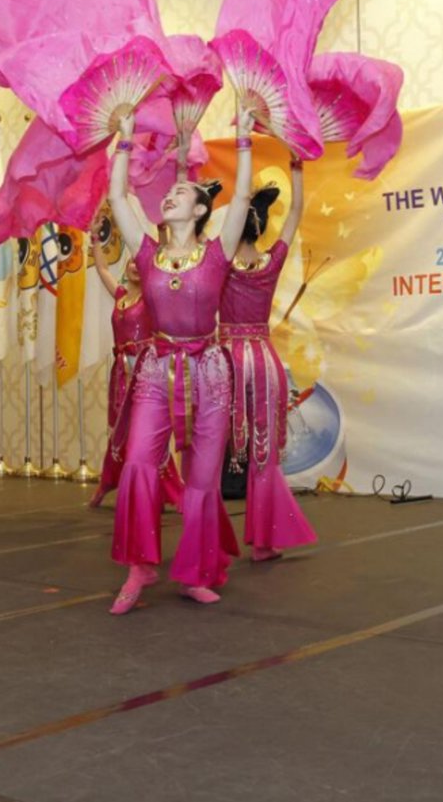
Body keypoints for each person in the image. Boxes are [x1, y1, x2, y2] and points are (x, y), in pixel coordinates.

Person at [104, 107, 253, 614]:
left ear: (200, 212)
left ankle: (195, 573)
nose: (170, 196)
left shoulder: (218, 252)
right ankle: (140, 566)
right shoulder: (146, 253)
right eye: (168, 193)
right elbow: (117, 198)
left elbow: (242, 200)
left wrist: (246, 140)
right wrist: (124, 143)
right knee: (140, 466)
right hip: (155, 370)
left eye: (181, 194)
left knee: (203, 481)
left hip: (209, 374)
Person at [221, 170, 316, 560]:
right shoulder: (270, 263)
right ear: (259, 229)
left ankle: (211, 541)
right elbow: (295, 212)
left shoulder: (219, 262)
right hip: (262, 359)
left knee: (213, 448)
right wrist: (297, 176)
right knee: (264, 452)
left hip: (226, 358)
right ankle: (265, 541)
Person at [88, 238, 185, 511]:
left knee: (148, 433)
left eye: (139, 264)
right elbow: (103, 269)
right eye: (130, 262)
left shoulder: (151, 299)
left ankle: (165, 490)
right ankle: (108, 482)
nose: (133, 266)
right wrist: (95, 241)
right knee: (120, 430)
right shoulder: (120, 296)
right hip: (121, 371)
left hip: (146, 371)